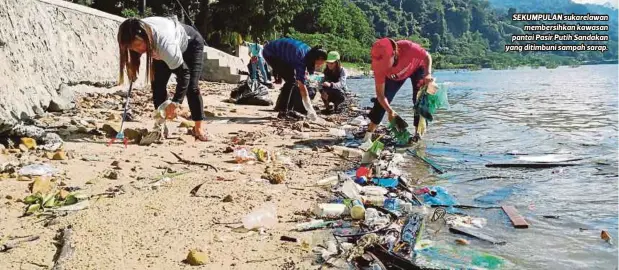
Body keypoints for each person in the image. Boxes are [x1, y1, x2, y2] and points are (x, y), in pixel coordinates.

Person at [117, 16, 209, 141]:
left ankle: (198, 128)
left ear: (146, 37)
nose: (137, 50)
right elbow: (135, 50)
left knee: (191, 88)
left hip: (190, 44)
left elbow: (184, 74)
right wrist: (133, 68)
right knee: (157, 85)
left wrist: (176, 102)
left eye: (138, 45)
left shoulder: (165, 44)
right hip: (158, 48)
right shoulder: (134, 32)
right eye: (131, 48)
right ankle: (161, 126)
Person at [363, 38, 434, 143]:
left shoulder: (408, 47)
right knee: (380, 104)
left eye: (385, 63)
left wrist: (428, 73)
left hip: (417, 68)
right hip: (395, 77)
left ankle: (418, 136)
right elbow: (381, 96)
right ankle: (368, 135)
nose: (383, 67)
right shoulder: (379, 68)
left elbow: (427, 56)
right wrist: (390, 111)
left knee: (420, 101)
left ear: (394, 54)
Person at [261, 38, 327, 120]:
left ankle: (280, 106)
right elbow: (302, 87)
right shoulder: (301, 58)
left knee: (292, 79)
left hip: (284, 54)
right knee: (291, 80)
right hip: (270, 53)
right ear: (317, 58)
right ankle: (283, 111)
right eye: (319, 63)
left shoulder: (310, 53)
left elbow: (309, 75)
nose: (319, 66)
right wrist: (310, 108)